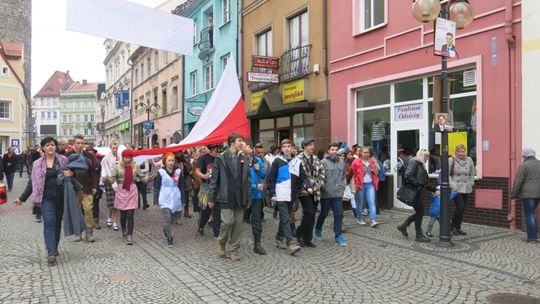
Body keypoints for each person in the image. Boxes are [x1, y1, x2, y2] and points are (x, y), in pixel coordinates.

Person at [13, 137, 69, 266]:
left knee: (57, 224)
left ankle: (54, 247)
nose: (50, 147)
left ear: (56, 146)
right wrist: (21, 198)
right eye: (47, 145)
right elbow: (32, 183)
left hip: (60, 197)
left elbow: (73, 175)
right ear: (43, 148)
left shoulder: (63, 161)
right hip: (45, 197)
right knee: (49, 221)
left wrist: (70, 173)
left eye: (53, 145)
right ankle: (51, 252)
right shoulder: (37, 164)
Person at [207, 133, 251, 261]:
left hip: (240, 196)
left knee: (238, 226)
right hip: (226, 196)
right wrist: (211, 197)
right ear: (232, 142)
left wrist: (247, 197)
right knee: (227, 222)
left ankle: (233, 249)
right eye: (239, 141)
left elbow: (247, 180)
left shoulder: (243, 158)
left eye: (242, 141)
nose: (242, 143)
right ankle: (221, 242)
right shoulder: (220, 158)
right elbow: (214, 180)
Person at [266, 139, 304, 255]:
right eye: (285, 147)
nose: (287, 148)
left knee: (285, 217)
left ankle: (278, 238)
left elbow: (302, 177)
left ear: (292, 148)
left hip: (291, 195)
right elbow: (270, 178)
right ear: (282, 149)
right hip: (280, 194)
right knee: (285, 217)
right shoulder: (278, 161)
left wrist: (301, 188)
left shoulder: (296, 162)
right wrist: (273, 194)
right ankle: (290, 243)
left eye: (289, 146)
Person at [103, 148, 147, 245]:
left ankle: (130, 235)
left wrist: (150, 178)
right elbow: (112, 179)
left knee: (130, 214)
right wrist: (106, 180)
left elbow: (143, 178)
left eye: (130, 157)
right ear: (123, 157)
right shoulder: (117, 167)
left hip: (132, 190)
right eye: (126, 157)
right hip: (121, 190)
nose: (128, 159)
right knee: (123, 215)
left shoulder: (135, 166)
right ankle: (123, 228)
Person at [66, 134, 100, 242]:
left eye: (82, 143)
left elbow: (94, 172)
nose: (80, 145)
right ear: (74, 144)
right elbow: (64, 171)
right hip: (74, 187)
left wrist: (95, 186)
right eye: (78, 143)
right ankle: (78, 232)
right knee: (76, 211)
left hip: (87, 187)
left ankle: (89, 232)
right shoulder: (68, 156)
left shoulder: (89, 156)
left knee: (88, 209)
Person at [396, 148, 432, 242]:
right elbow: (408, 175)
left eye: (428, 156)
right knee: (420, 212)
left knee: (420, 212)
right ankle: (418, 235)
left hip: (416, 192)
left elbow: (423, 181)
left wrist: (432, 189)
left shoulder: (420, 164)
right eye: (426, 156)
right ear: (421, 155)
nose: (427, 158)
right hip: (413, 192)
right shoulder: (414, 162)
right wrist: (417, 184)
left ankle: (403, 226)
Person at [315, 143, 347, 246]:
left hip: (337, 193)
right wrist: (323, 187)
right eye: (332, 149)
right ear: (328, 151)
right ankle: (318, 228)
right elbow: (319, 177)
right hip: (326, 193)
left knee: (339, 214)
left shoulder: (342, 162)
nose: (334, 151)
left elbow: (343, 177)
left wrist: (342, 187)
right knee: (324, 213)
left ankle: (338, 236)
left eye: (335, 149)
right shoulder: (323, 162)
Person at [295, 138, 325, 248]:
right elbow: (298, 176)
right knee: (309, 212)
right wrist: (307, 187)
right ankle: (300, 233)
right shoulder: (298, 158)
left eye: (313, 144)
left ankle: (308, 238)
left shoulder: (316, 158)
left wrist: (317, 186)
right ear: (305, 146)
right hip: (303, 191)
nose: (312, 146)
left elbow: (322, 172)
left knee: (312, 216)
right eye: (310, 145)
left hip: (315, 191)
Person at [511, 148, 540, 244]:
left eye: (522, 155)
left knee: (530, 214)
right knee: (533, 213)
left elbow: (518, 182)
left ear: (525, 155)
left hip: (528, 194)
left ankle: (532, 237)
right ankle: (535, 233)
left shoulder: (524, 165)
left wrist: (513, 194)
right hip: (538, 194)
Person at [154, 152, 183, 247]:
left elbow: (181, 185)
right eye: (169, 160)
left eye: (172, 160)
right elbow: (157, 186)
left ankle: (166, 228)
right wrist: (156, 199)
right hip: (164, 197)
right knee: (167, 219)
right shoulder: (160, 172)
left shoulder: (178, 171)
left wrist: (183, 199)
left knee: (172, 218)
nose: (171, 162)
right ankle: (170, 238)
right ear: (165, 161)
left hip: (175, 196)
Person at [245, 143, 267, 255]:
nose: (248, 148)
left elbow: (263, 175)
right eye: (245, 146)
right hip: (243, 196)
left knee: (257, 219)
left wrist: (258, 169)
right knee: (237, 220)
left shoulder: (257, 160)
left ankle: (257, 244)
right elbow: (240, 182)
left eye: (249, 146)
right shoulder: (240, 162)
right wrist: (254, 186)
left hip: (256, 195)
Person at [449, 144, 476, 236]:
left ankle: (458, 227)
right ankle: (452, 226)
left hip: (466, 187)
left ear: (465, 152)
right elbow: (447, 174)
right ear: (455, 152)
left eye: (462, 151)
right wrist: (452, 185)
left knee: (462, 208)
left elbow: (472, 173)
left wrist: (471, 182)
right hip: (456, 187)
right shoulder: (451, 160)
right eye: (459, 151)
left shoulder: (469, 160)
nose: (461, 153)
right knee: (460, 206)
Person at [196, 145, 221, 237]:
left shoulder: (220, 158)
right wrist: (204, 176)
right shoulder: (203, 158)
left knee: (217, 208)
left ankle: (217, 231)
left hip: (217, 186)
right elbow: (197, 171)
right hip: (206, 185)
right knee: (205, 209)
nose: (218, 152)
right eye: (216, 150)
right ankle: (201, 225)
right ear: (212, 150)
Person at [352, 147, 380, 227]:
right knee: (360, 203)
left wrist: (374, 170)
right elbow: (352, 174)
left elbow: (376, 172)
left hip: (370, 184)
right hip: (360, 185)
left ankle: (373, 220)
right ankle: (360, 218)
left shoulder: (371, 161)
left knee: (371, 202)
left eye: (367, 152)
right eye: (364, 152)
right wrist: (355, 184)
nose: (366, 154)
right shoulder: (356, 162)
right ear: (360, 153)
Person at [100, 140, 121, 231]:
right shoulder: (105, 159)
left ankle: (115, 222)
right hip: (109, 181)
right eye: (113, 148)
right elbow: (104, 171)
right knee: (111, 204)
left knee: (117, 204)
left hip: (119, 181)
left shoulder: (121, 157)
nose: (115, 149)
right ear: (110, 147)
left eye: (116, 148)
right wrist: (105, 178)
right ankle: (109, 217)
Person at [86, 145, 103, 230]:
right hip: (86, 185)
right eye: (89, 152)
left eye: (92, 152)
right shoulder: (84, 160)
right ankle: (87, 221)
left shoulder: (97, 162)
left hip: (95, 184)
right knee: (87, 205)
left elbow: (99, 174)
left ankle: (96, 221)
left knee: (96, 203)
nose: (91, 153)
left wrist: (97, 185)